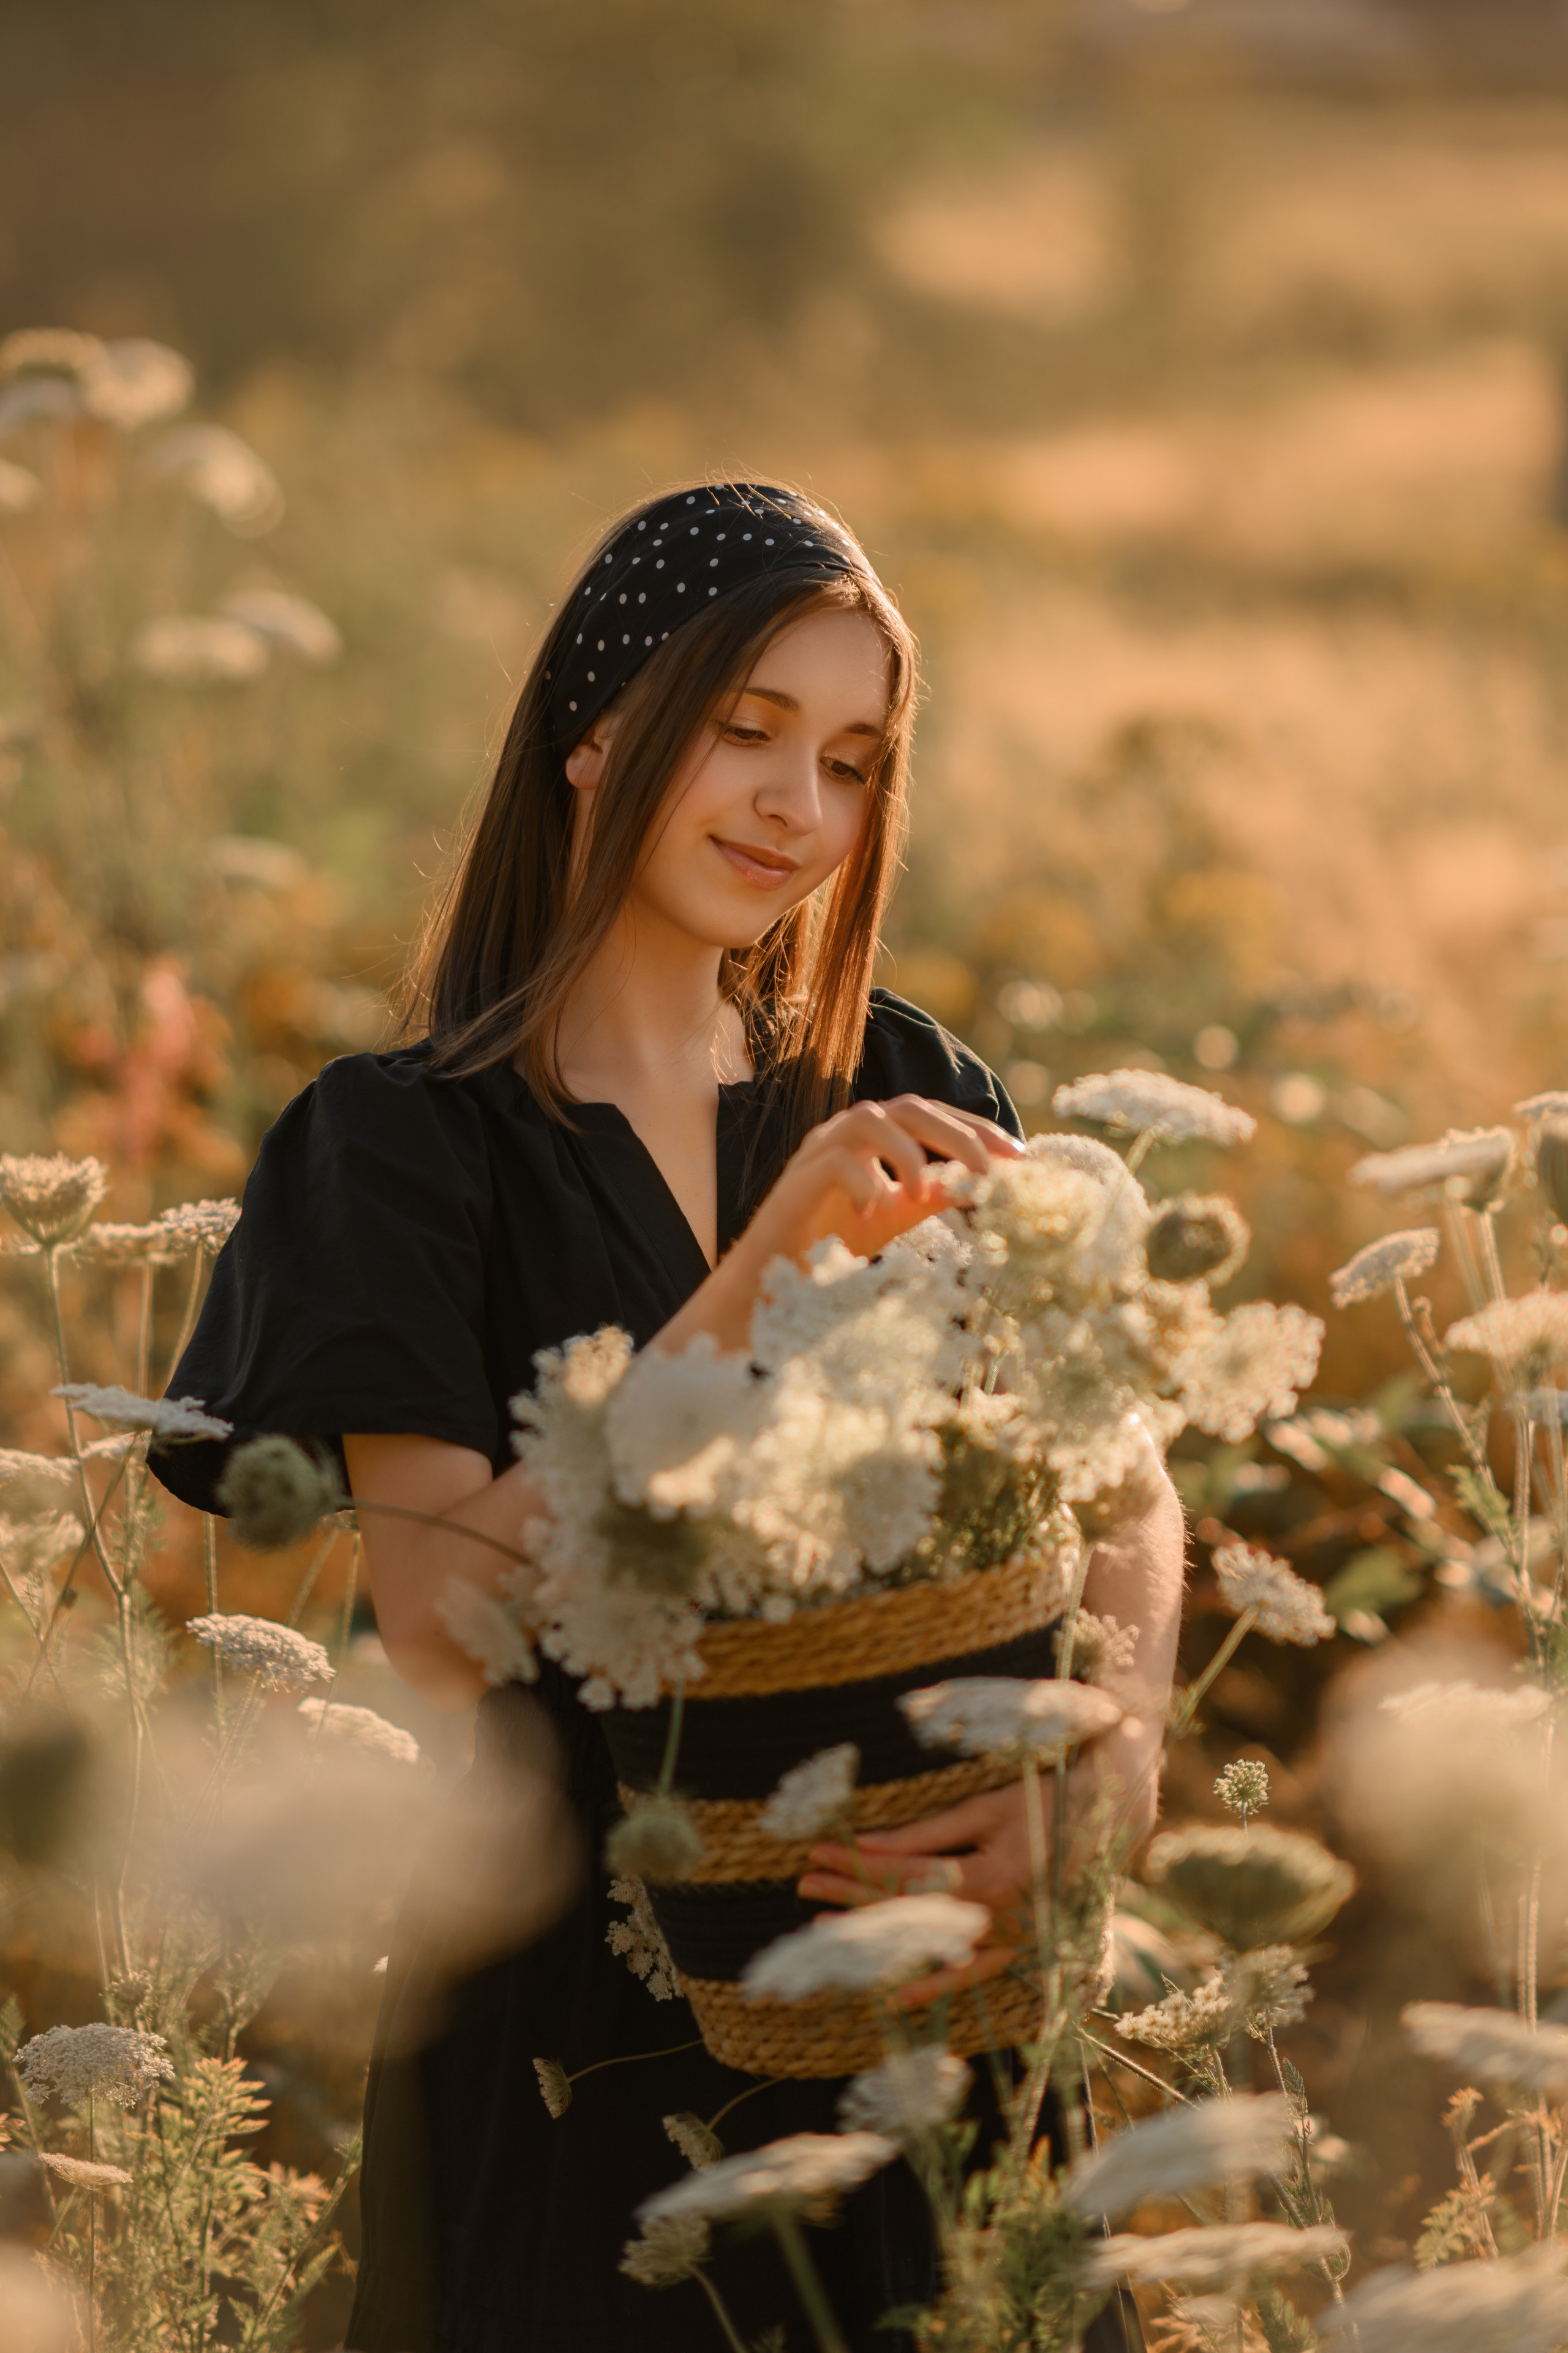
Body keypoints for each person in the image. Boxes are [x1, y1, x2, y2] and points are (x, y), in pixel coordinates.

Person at [153, 482, 1182, 2351]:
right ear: (596, 735)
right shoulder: (402, 1145)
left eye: (855, 759)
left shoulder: (915, 1080)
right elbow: (456, 1623)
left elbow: (1125, 1476)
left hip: (935, 2021)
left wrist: (1105, 1765)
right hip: (579, 2059)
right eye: (749, 730)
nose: (802, 807)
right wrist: (770, 1265)